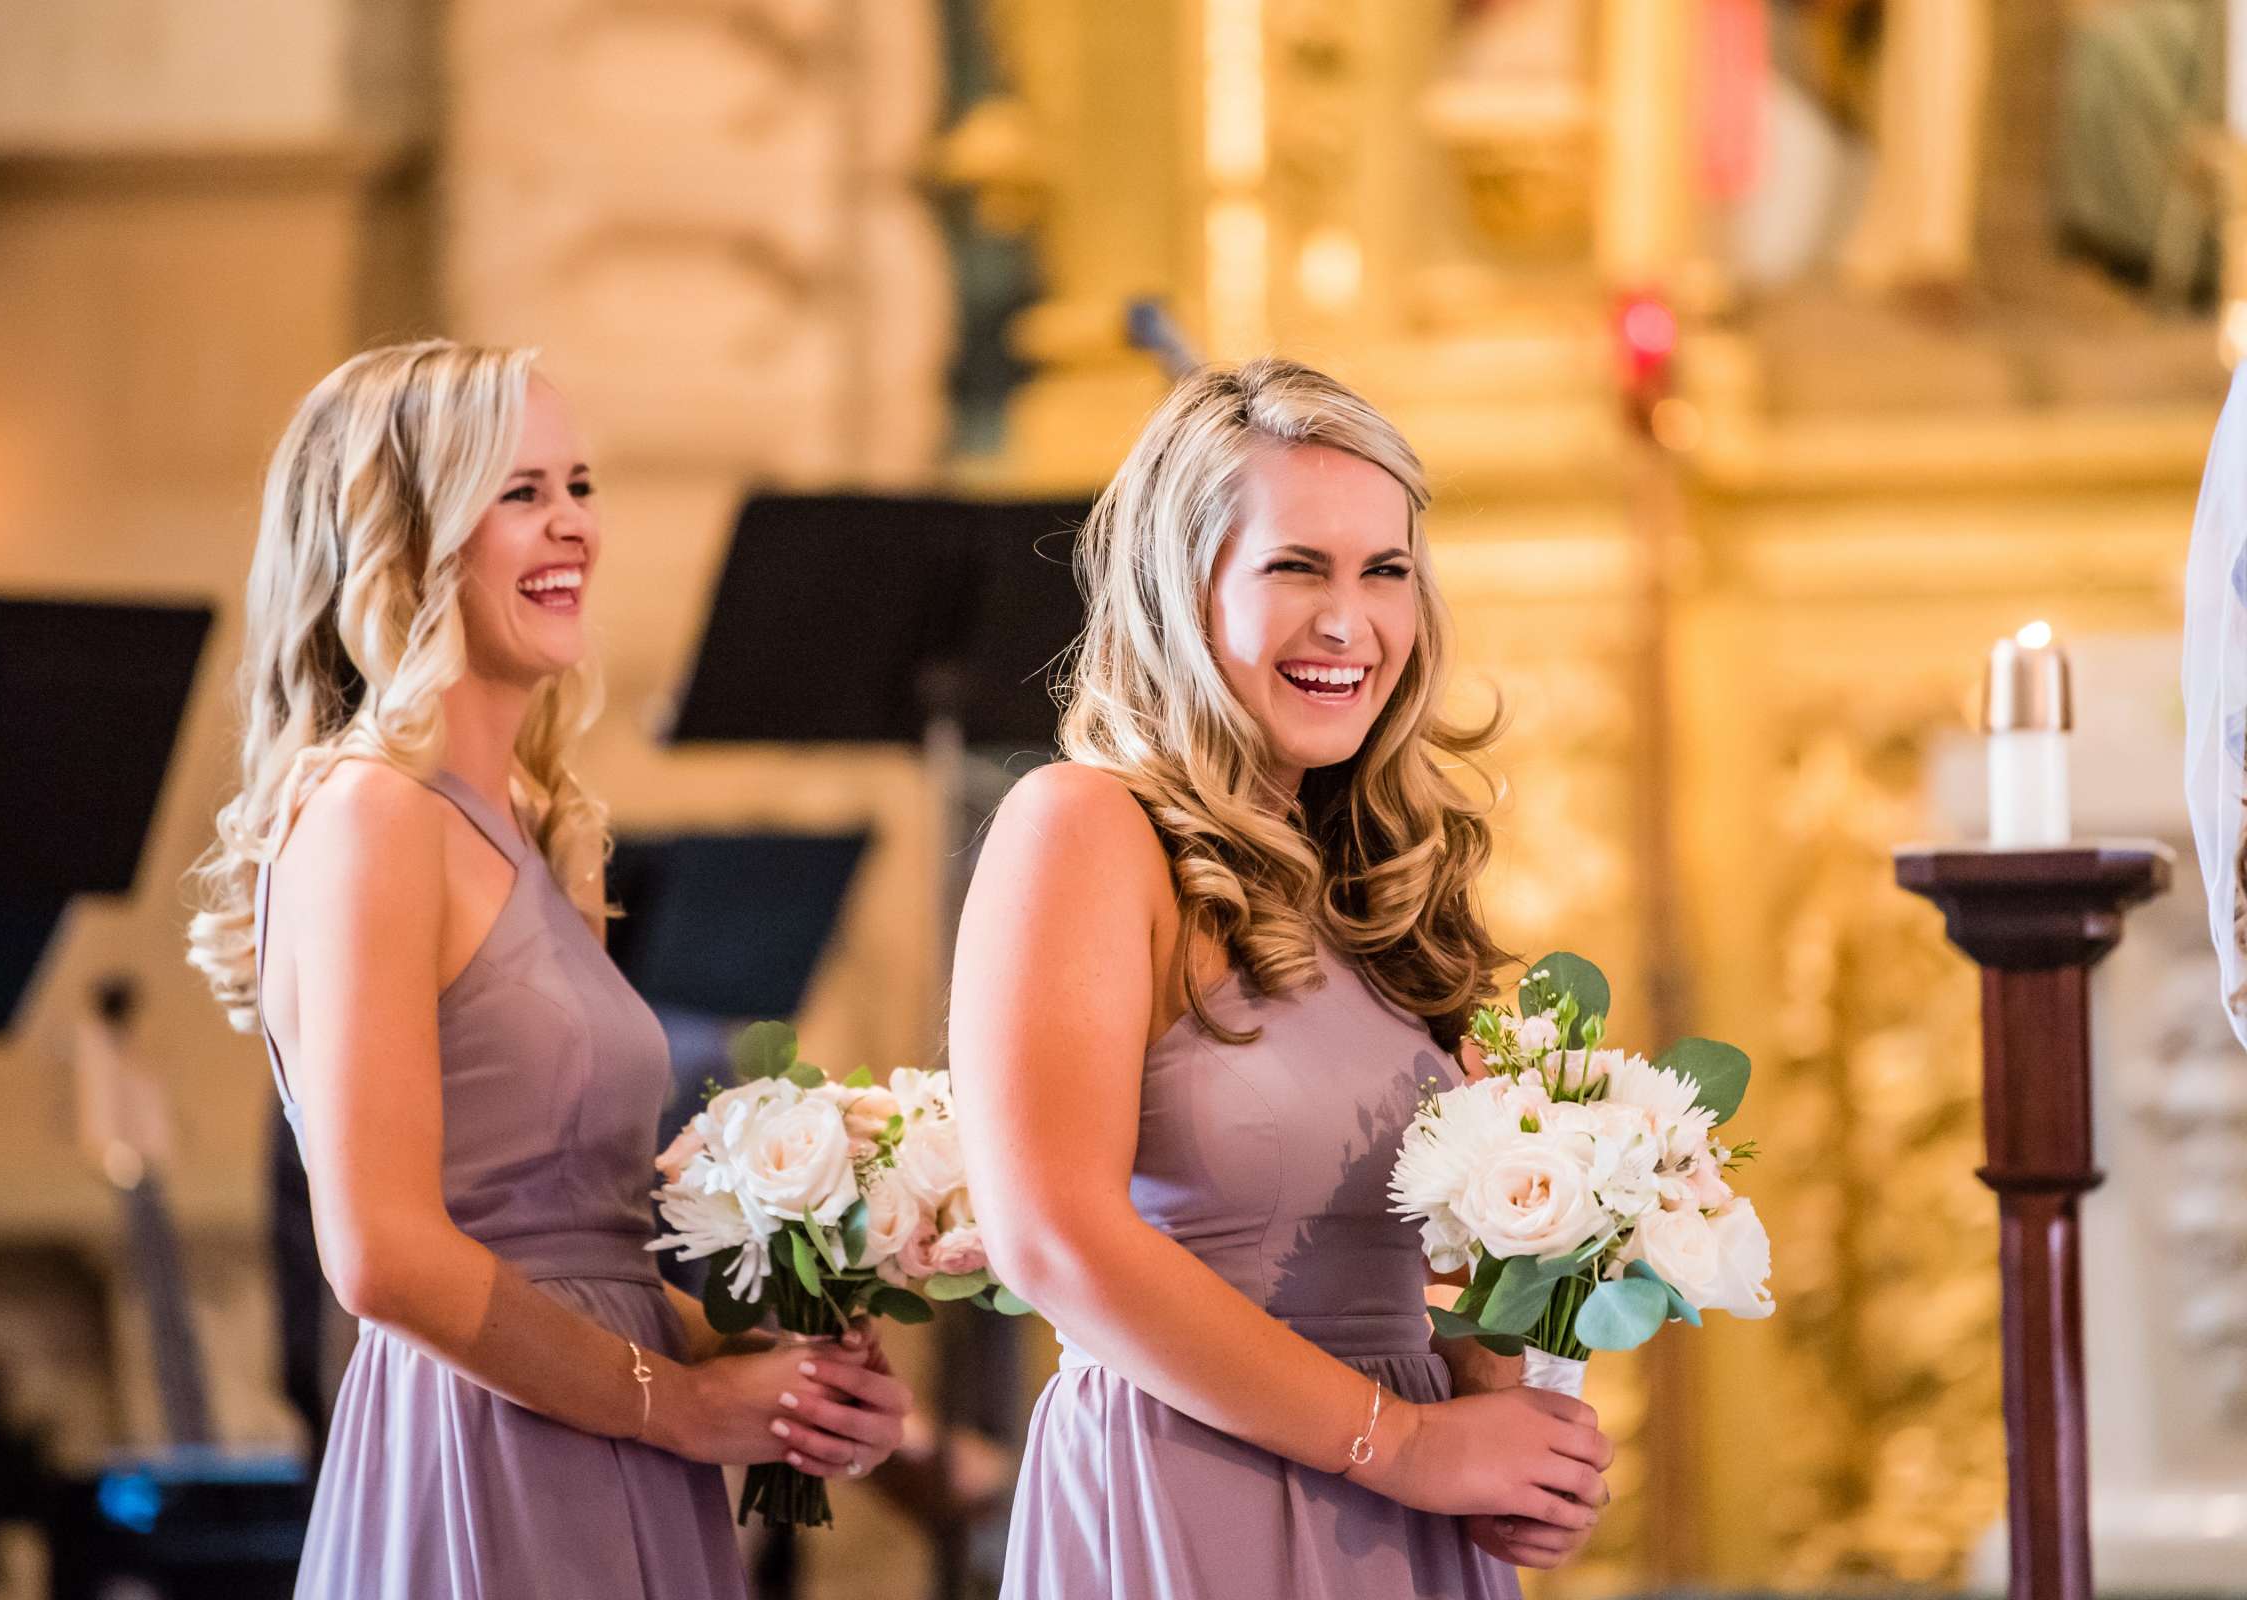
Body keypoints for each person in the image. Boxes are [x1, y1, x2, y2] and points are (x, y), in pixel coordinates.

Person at [185, 340, 911, 1597]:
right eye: (521, 493)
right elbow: (383, 1256)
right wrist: (679, 1409)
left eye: (579, 486)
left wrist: (772, 1372)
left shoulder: (545, 829)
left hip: (616, 1437)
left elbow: (596, 1258)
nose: (573, 524)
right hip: (482, 1453)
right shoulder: (372, 819)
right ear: (404, 543)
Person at [952, 358, 1615, 1597]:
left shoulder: (1386, 885)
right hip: (1188, 1492)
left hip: (1406, 1525)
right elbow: (1050, 1238)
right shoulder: (1084, 828)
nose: (1347, 622)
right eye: (1294, 568)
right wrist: (1411, 1447)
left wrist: (1514, 1440)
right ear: (1180, 594)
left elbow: (1460, 1268)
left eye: (1385, 572)